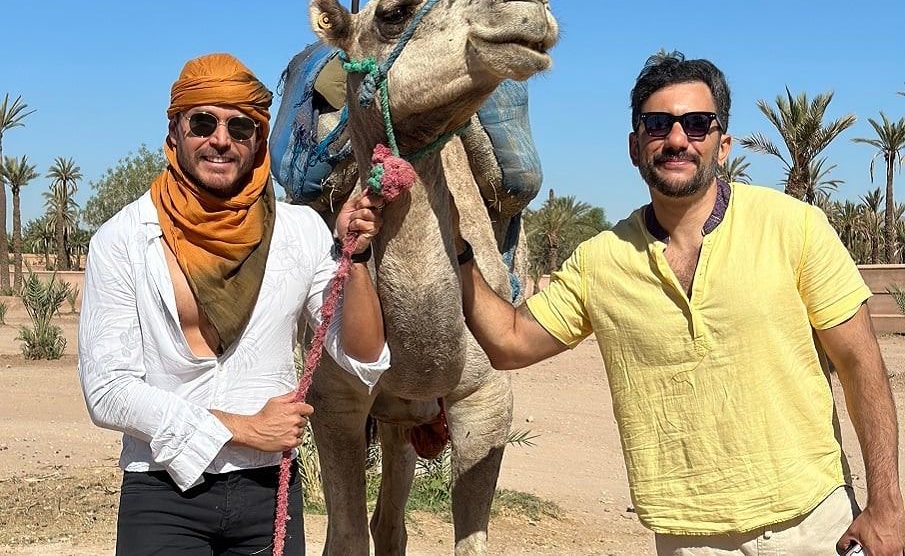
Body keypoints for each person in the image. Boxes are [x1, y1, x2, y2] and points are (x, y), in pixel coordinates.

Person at [455, 51, 905, 556]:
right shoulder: (601, 261)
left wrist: (887, 505)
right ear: (634, 146)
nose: (675, 139)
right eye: (657, 124)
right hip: (688, 540)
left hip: (815, 525)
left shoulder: (794, 227)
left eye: (696, 124)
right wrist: (457, 248)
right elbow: (510, 343)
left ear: (724, 144)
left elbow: (861, 364)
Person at [78, 53, 389, 556]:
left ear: (259, 139)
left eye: (240, 127)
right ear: (175, 131)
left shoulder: (300, 231)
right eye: (203, 122)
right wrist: (244, 428)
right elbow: (108, 391)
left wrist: (356, 255)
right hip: (162, 490)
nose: (220, 139)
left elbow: (363, 355)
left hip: (269, 491)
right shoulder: (123, 239)